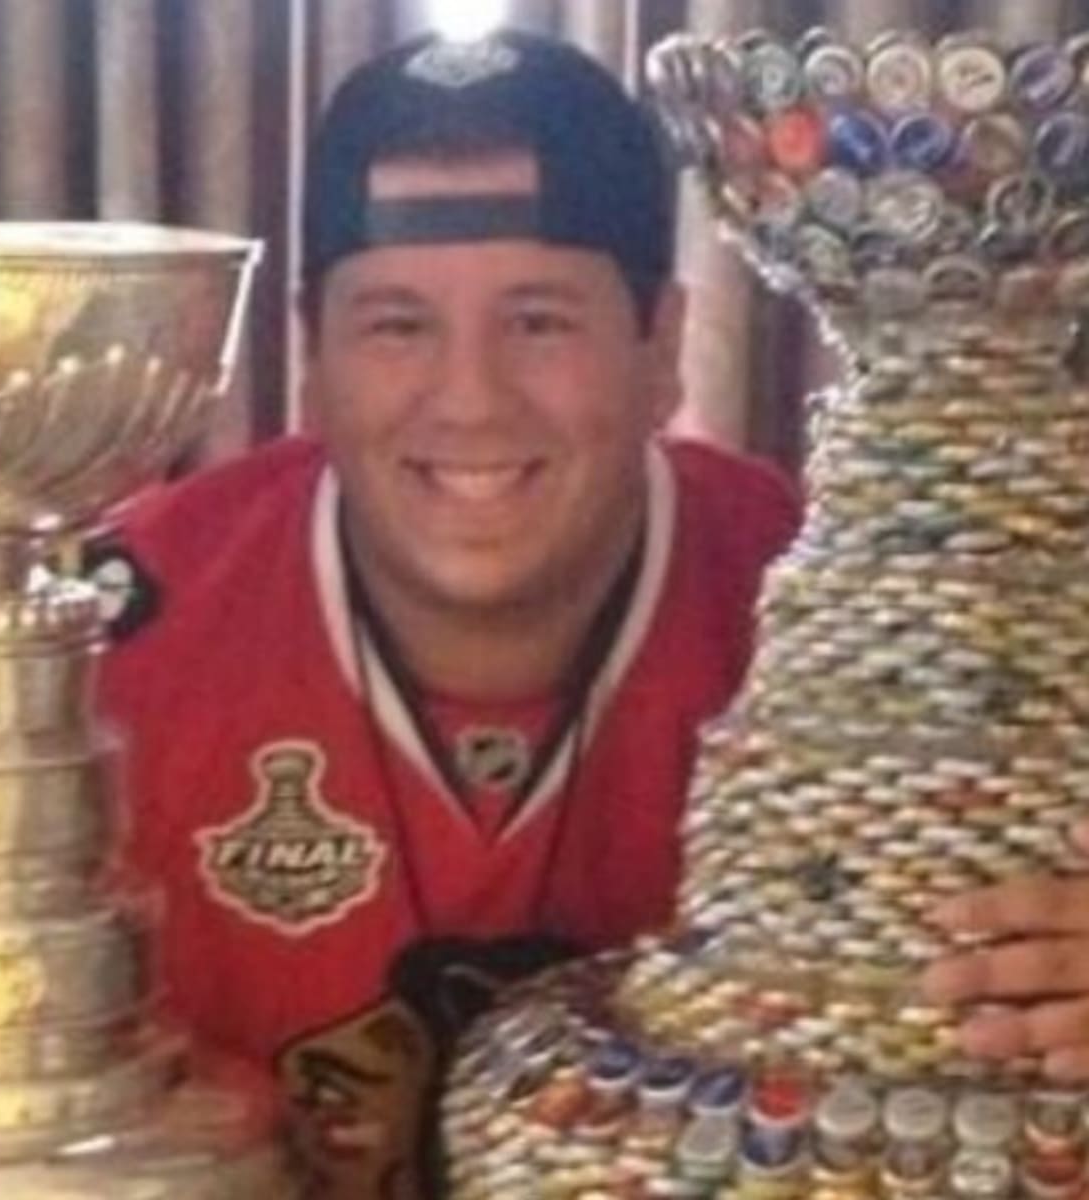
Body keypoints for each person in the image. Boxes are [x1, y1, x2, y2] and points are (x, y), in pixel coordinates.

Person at [93, 27, 1089, 1200]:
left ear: (662, 346)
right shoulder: (101, 646)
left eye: (540, 321)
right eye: (397, 325)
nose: (469, 400)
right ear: (313, 358)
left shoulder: (895, 629)